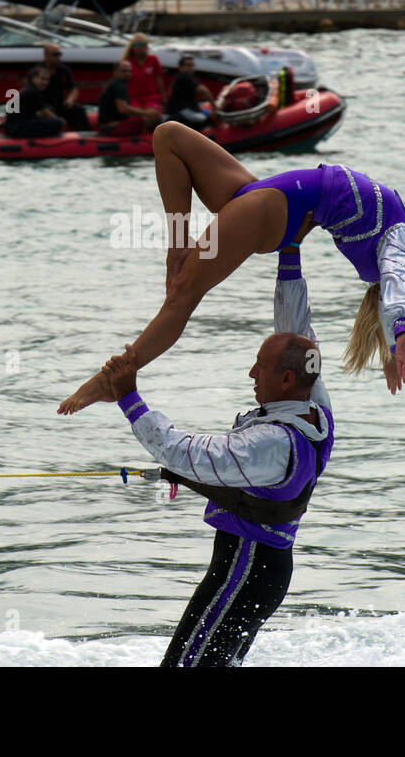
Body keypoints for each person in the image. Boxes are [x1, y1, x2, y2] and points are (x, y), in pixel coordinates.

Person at [57, 122, 405, 414]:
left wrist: (403, 330)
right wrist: (391, 345)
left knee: (181, 296)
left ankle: (112, 379)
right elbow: (392, 288)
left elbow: (399, 280)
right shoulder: (398, 245)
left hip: (274, 209)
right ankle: (177, 244)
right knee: (168, 137)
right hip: (269, 194)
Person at [102, 241, 333, 667]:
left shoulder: (271, 443)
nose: (251, 373)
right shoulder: (314, 406)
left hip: (244, 573)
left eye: (259, 366)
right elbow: (296, 326)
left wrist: (129, 398)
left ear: (286, 379)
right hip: (261, 572)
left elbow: (179, 450)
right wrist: (290, 250)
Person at [97, 61, 162, 136]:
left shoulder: (112, 83)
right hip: (113, 128)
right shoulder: (118, 86)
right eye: (123, 71)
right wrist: (147, 113)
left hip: (107, 126)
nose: (127, 74)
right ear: (115, 72)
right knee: (150, 119)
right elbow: (123, 109)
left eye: (129, 71)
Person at [39, 44, 90, 131]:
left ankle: (84, 134)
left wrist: (70, 100)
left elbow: (73, 88)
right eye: (55, 55)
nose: (58, 57)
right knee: (47, 112)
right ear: (46, 55)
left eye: (59, 54)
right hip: (45, 105)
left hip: (60, 104)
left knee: (79, 109)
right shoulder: (38, 71)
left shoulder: (64, 70)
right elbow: (33, 94)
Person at [4, 66, 64, 138]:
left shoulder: (27, 89)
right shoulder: (33, 92)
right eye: (43, 79)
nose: (46, 82)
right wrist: (61, 121)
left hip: (13, 126)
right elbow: (45, 112)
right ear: (34, 78)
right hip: (17, 128)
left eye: (47, 80)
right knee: (57, 123)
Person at [164, 55, 214, 128]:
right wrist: (215, 107)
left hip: (176, 112)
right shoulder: (185, 76)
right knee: (209, 118)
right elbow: (203, 91)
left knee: (205, 110)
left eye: (192, 65)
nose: (191, 68)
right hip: (179, 113)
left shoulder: (178, 77)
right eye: (188, 65)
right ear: (180, 67)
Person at [123, 33, 167, 113]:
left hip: (152, 97)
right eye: (135, 44)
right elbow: (121, 81)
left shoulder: (153, 59)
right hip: (133, 98)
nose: (138, 47)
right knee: (136, 116)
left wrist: (163, 96)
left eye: (141, 44)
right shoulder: (127, 62)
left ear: (146, 46)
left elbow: (159, 79)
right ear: (132, 47)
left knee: (151, 115)